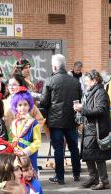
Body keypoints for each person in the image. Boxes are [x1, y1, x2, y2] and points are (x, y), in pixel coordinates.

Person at [40, 54, 82, 185]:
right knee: (74, 147)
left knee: (58, 148)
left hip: (56, 121)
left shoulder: (50, 81)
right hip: (71, 119)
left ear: (54, 66)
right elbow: (79, 99)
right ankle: (76, 174)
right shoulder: (75, 81)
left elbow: (44, 101)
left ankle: (60, 177)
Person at [74, 69, 111, 190]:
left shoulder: (100, 92)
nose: (86, 83)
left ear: (95, 80)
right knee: (88, 154)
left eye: (87, 81)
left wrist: (82, 109)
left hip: (98, 129)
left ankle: (104, 181)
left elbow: (100, 110)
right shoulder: (90, 91)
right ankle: (93, 178)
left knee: (98, 156)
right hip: (89, 128)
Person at [10, 89, 42, 171]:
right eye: (20, 105)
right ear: (16, 107)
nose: (23, 107)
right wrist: (14, 148)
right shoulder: (14, 123)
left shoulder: (34, 123)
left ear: (29, 106)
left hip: (29, 154)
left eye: (25, 104)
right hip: (16, 153)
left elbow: (37, 142)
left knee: (30, 173)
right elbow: (11, 139)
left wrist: (25, 151)